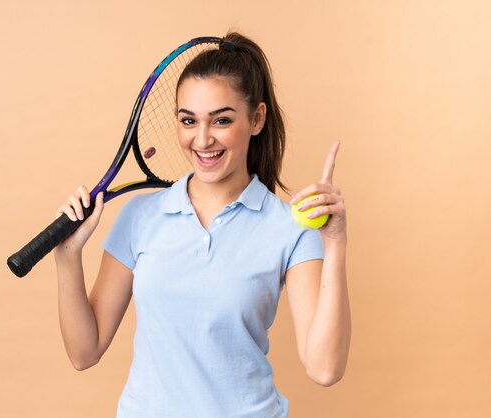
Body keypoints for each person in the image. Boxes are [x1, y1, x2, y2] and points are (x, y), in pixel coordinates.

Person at [54, 32, 351, 418]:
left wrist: (335, 243)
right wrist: (67, 255)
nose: (203, 139)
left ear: (256, 119)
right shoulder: (140, 217)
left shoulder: (289, 229)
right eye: (188, 120)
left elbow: (324, 368)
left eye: (222, 120)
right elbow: (84, 352)